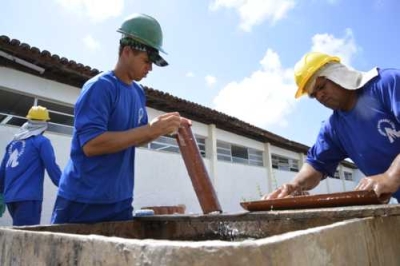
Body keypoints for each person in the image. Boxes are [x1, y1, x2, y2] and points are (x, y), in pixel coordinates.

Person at [51, 13, 182, 224]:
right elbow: (91, 145)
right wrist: (151, 129)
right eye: (146, 61)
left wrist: (161, 129)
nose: (149, 69)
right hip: (83, 201)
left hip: (119, 201)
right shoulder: (100, 87)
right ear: (127, 51)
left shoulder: (138, 92)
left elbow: (137, 137)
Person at [263, 51, 400, 203]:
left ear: (337, 74)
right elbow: (316, 165)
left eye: (321, 86)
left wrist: (391, 176)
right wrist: (294, 186)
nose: (320, 96)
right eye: (314, 95)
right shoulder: (334, 129)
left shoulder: (387, 84)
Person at [0, 105, 61, 226]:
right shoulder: (42, 142)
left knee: (18, 234)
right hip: (29, 198)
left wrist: (1, 194)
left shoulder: (13, 143)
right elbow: (52, 168)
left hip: (10, 198)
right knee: (26, 237)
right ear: (44, 123)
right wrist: (67, 187)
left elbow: (2, 170)